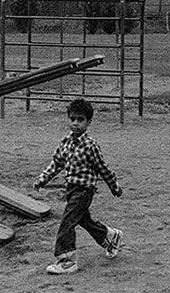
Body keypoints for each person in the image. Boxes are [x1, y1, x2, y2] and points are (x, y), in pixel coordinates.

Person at [33, 97, 123, 274]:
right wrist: (43, 179)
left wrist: (114, 186)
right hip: (71, 189)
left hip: (84, 190)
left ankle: (67, 260)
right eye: (72, 119)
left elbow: (102, 168)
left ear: (88, 122)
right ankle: (110, 236)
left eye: (80, 120)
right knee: (83, 220)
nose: (75, 123)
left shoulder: (90, 146)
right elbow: (56, 163)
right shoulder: (65, 143)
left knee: (67, 222)